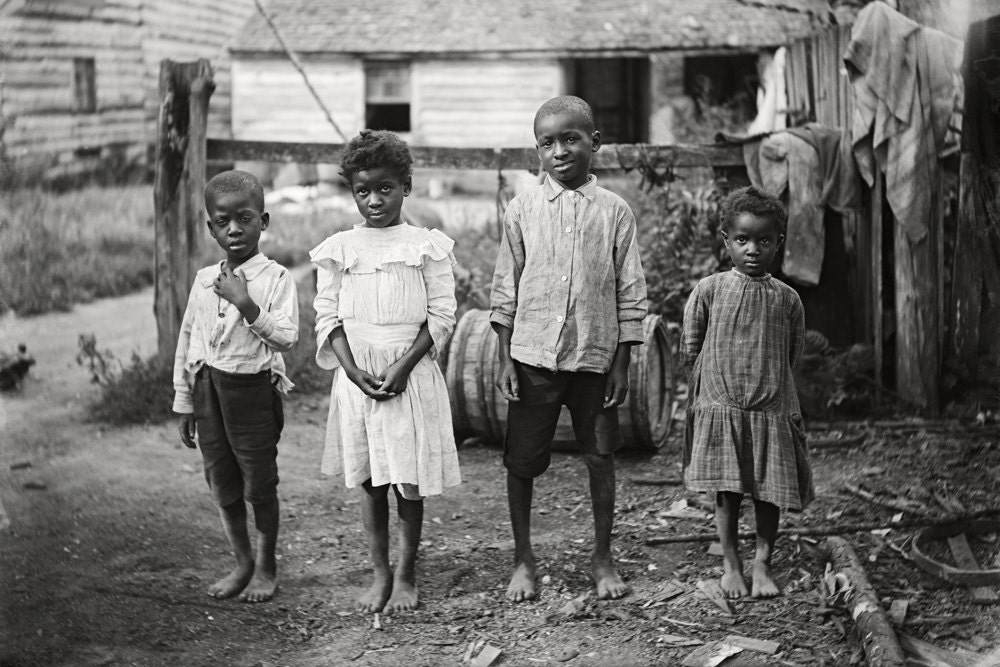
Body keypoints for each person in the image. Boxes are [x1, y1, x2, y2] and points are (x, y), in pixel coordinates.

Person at [490, 95, 648, 602]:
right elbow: (504, 289)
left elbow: (630, 292)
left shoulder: (616, 213)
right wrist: (504, 357)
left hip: (594, 359)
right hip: (533, 357)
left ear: (594, 143)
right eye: (547, 142)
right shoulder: (522, 210)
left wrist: (621, 363)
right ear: (537, 150)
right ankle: (522, 559)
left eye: (571, 138)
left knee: (600, 456)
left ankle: (603, 558)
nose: (560, 150)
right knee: (522, 462)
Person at [311, 130, 461, 614]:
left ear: (406, 186)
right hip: (358, 378)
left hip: (408, 376)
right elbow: (327, 315)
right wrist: (351, 368)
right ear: (352, 191)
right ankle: (379, 572)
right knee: (372, 479)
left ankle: (406, 572)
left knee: (408, 479)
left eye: (385, 188)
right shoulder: (338, 248)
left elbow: (441, 314)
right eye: (363, 191)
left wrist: (403, 365)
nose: (374, 200)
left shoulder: (426, 246)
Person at [173, 170, 299, 603]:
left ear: (262, 221)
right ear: (211, 228)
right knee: (222, 482)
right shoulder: (204, 279)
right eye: (223, 221)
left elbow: (286, 337)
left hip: (251, 393)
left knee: (259, 482)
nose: (234, 229)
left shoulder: (276, 278)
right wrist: (184, 400)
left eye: (244, 218)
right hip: (208, 391)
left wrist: (246, 303)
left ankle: (265, 567)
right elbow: (189, 339)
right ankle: (242, 561)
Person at [682, 185, 814, 599]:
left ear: (779, 242)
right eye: (742, 239)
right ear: (726, 242)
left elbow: (791, 354)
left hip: (769, 409)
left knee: (768, 491)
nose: (752, 249)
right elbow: (692, 347)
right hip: (722, 406)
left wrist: (768, 392)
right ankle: (731, 564)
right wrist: (712, 396)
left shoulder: (788, 299)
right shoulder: (710, 290)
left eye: (763, 240)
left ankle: (762, 563)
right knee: (727, 489)